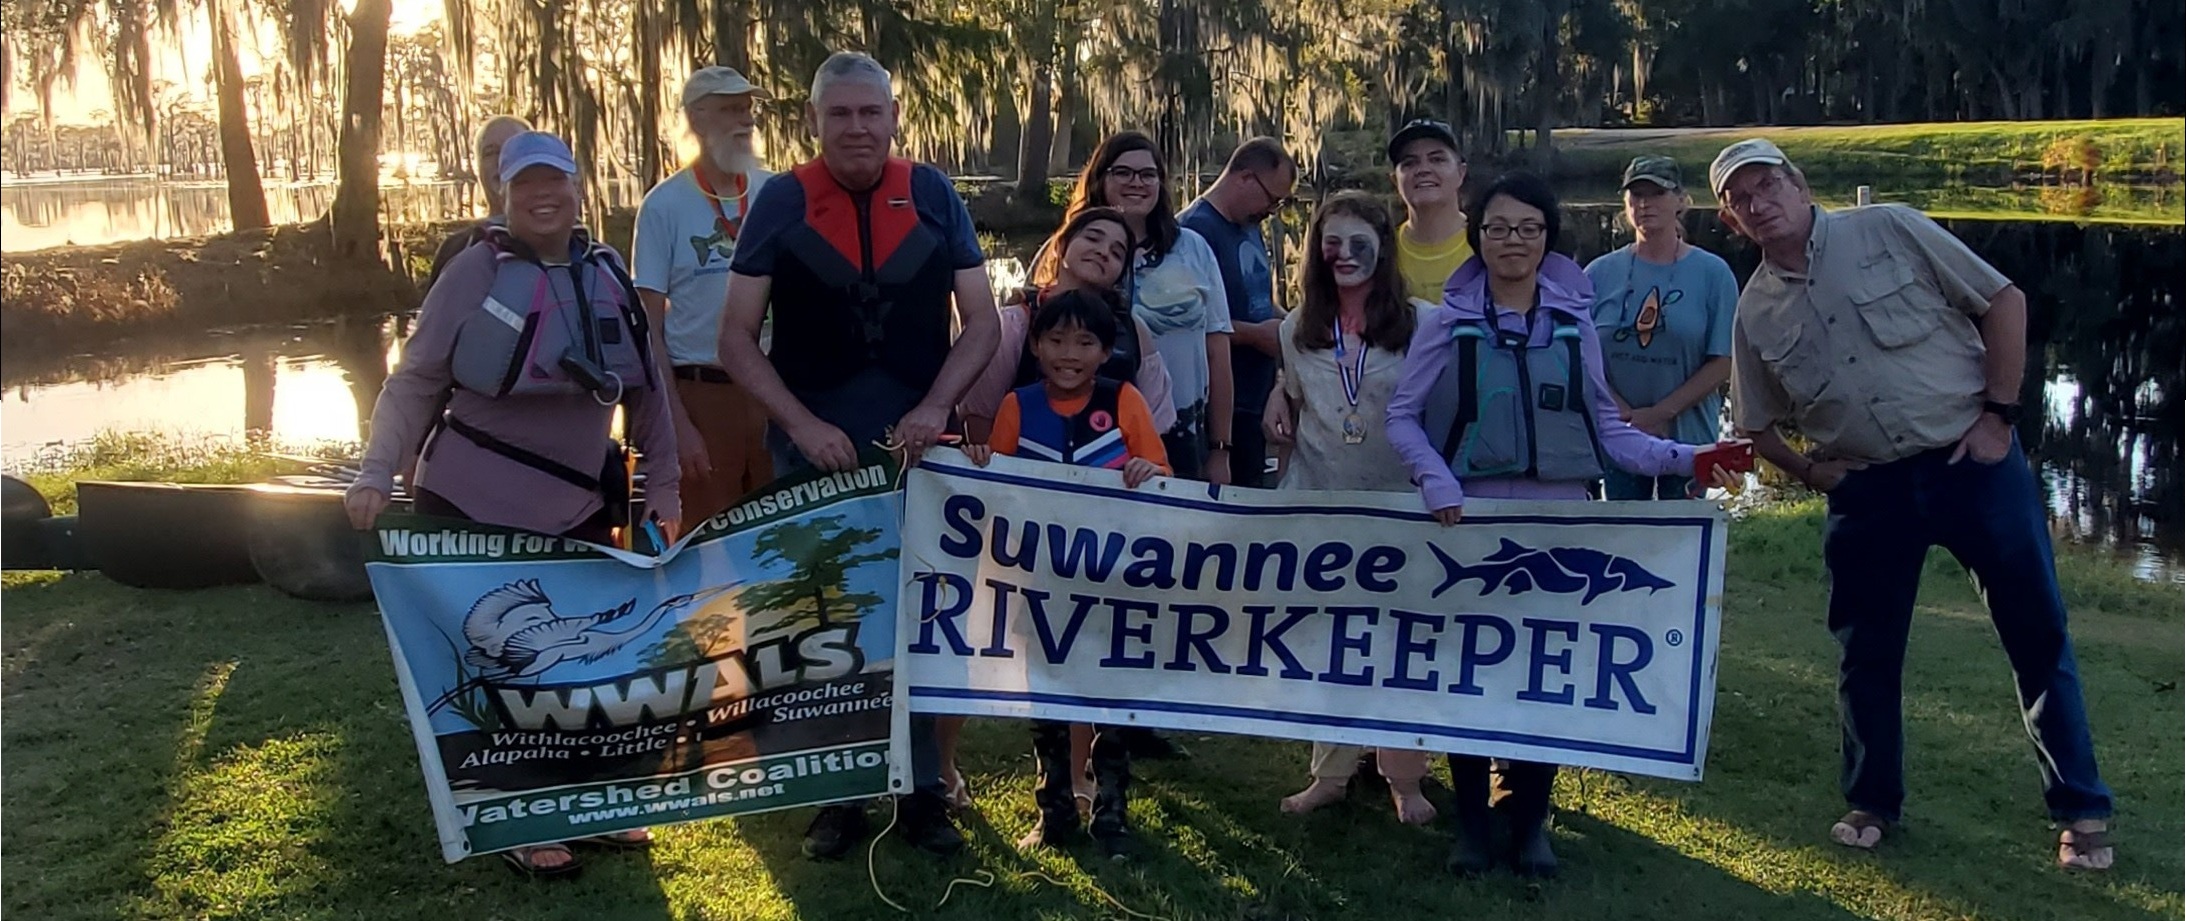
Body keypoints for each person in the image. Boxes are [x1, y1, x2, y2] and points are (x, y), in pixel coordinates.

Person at [1710, 138, 2115, 871]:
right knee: (1866, 653)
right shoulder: (1755, 311)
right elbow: (1756, 423)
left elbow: (2003, 300)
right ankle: (1871, 802)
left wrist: (1999, 415)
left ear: (1799, 185)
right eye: (1741, 200)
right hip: (1869, 491)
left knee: (2036, 635)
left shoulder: (1889, 228)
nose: (1758, 203)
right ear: (1731, 220)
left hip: (1971, 462)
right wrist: (1810, 472)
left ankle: (2081, 808)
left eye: (1767, 185)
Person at [1384, 171, 1745, 878]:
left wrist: (1691, 456)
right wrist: (1435, 475)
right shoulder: (1446, 320)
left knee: (1546, 670)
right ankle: (1472, 822)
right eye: (1497, 228)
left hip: (1562, 516)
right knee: (1470, 669)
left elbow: (1611, 432)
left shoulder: (1575, 324)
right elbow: (1403, 415)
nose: (1512, 241)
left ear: (1547, 239)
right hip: (1473, 518)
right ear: (1476, 236)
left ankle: (1530, 819)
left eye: (1528, 228)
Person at [344, 130, 681, 878]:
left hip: (579, 504)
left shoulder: (608, 270)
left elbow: (650, 392)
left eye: (555, 180)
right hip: (472, 499)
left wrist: (665, 488)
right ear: (504, 191)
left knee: (588, 661)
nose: (543, 195)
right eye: (526, 182)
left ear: (577, 185)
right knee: (498, 665)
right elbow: (413, 380)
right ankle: (518, 816)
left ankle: (589, 801)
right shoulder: (473, 272)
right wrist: (374, 469)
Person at [715, 51, 998, 860]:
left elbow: (980, 320)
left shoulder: (935, 195)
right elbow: (733, 339)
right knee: (823, 624)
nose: (857, 127)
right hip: (816, 447)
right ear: (813, 122)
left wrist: (939, 405)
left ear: (894, 115)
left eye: (870, 112)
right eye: (839, 114)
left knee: (915, 617)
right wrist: (800, 425)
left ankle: (920, 793)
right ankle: (836, 794)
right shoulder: (781, 201)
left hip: (917, 444)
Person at [944, 206, 1175, 809]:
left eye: (1118, 248)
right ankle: (938, 769)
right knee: (984, 648)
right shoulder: (1013, 321)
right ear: (1063, 243)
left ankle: (1081, 783)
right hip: (1024, 540)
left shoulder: (1133, 336)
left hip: (1103, 551)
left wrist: (1150, 471)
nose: (1103, 252)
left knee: (1084, 657)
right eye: (1091, 238)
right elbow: (979, 420)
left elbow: (1155, 437)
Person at [1259, 192, 1436, 826]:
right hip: (1321, 502)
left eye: (1360, 242)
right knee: (1329, 641)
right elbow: (1298, 402)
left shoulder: (1424, 322)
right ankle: (1328, 774)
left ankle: (1405, 778)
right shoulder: (1295, 329)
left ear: (1384, 248)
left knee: (1403, 643)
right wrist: (1278, 395)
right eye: (1332, 242)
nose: (1345, 255)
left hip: (1400, 504)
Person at [631, 67, 776, 524]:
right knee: (708, 550)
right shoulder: (663, 206)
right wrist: (677, 426)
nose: (745, 120)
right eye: (731, 109)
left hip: (778, 393)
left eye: (748, 108)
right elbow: (648, 327)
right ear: (697, 119)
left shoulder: (777, 192)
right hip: (703, 396)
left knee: (787, 541)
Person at [1062, 131, 1237, 482]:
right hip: (1092, 437)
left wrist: (1220, 448)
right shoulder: (1074, 247)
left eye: (1147, 174)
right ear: (1100, 178)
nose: (1136, 183)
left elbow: (1218, 352)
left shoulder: (1193, 249)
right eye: (1122, 172)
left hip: (1183, 435)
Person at [1584, 155, 1740, 500]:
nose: (1644, 204)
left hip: (1686, 434)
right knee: (1623, 538)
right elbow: (1579, 355)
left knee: (1678, 542)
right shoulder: (1597, 274)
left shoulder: (1713, 273)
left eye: (1656, 194)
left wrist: (1661, 413)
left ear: (1681, 201)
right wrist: (1622, 411)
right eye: (1635, 195)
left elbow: (1722, 361)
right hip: (1617, 435)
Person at [1180, 137, 1296, 488]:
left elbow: (1257, 297)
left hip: (1257, 398)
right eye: (1271, 199)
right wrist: (1255, 335)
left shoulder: (1249, 224)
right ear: (1245, 178)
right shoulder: (1193, 232)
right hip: (1222, 407)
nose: (1271, 211)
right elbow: (1183, 322)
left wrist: (1293, 325)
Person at [425, 115, 532, 292]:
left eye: (512, 148)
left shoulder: (565, 244)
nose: (501, 160)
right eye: (490, 152)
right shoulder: (456, 249)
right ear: (477, 168)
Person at [1386, 119, 1473, 304]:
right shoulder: (1383, 251)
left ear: (1461, 173)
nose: (1423, 170)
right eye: (1409, 163)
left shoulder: (1487, 245)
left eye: (1437, 159)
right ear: (1395, 180)